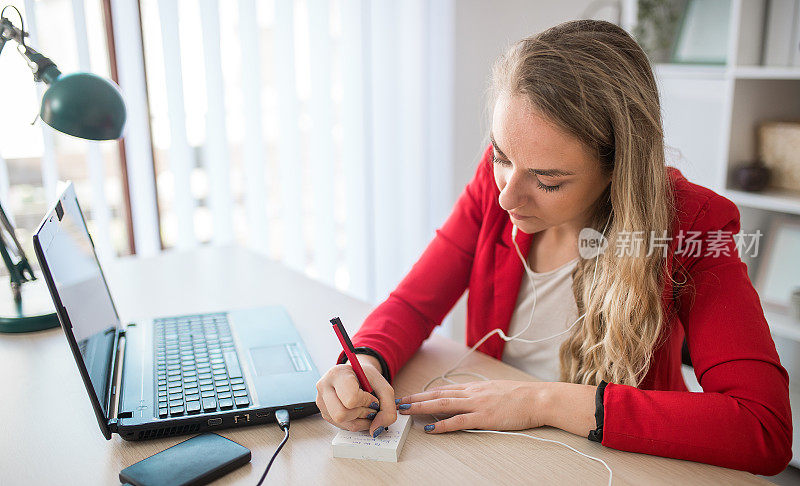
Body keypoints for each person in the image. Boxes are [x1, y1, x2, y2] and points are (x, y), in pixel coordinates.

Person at [314, 19, 792, 475]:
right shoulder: (498, 183)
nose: (506, 196)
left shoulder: (692, 223)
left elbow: (762, 427)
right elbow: (413, 306)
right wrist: (366, 361)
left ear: (617, 168)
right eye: (502, 156)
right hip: (500, 455)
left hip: (621, 465)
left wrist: (541, 400)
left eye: (547, 180)